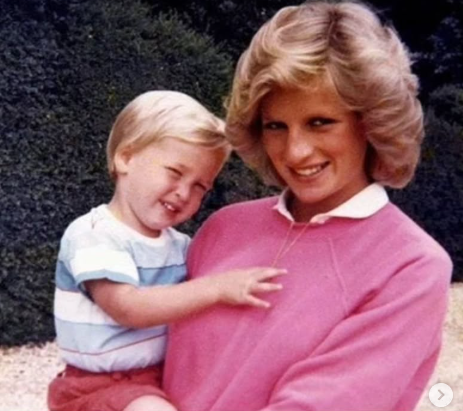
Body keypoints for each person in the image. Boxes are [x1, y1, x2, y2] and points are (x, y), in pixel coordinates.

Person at [163, 2, 453, 411]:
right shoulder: (223, 228)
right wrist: (128, 396)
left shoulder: (411, 267)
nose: (295, 151)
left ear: (371, 123)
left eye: (320, 122)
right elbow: (128, 353)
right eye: (276, 126)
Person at [47, 90, 286, 411]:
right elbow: (128, 308)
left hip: (159, 379)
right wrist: (217, 289)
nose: (184, 192)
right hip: (97, 386)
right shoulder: (94, 235)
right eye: (174, 172)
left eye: (200, 186)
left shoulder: (181, 246)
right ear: (126, 158)